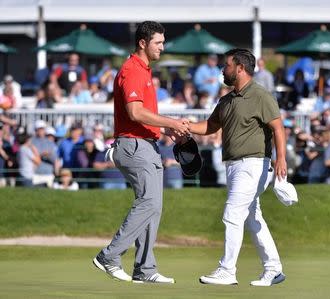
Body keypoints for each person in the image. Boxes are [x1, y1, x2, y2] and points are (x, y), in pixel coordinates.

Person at [92, 21, 190, 284]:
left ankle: (144, 269)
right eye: (158, 42)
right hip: (134, 146)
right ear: (143, 43)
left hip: (144, 143)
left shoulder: (143, 70)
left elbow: (139, 115)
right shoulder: (133, 70)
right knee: (148, 203)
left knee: (153, 207)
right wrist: (171, 122)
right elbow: (134, 112)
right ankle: (109, 256)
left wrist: (165, 131)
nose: (162, 47)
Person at [189, 48, 287, 287]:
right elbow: (210, 126)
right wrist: (185, 126)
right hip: (233, 166)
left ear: (240, 68)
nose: (223, 69)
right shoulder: (227, 99)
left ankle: (227, 270)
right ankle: (273, 269)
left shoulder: (261, 95)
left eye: (227, 65)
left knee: (233, 213)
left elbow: (278, 128)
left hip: (254, 165)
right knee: (252, 218)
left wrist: (281, 158)